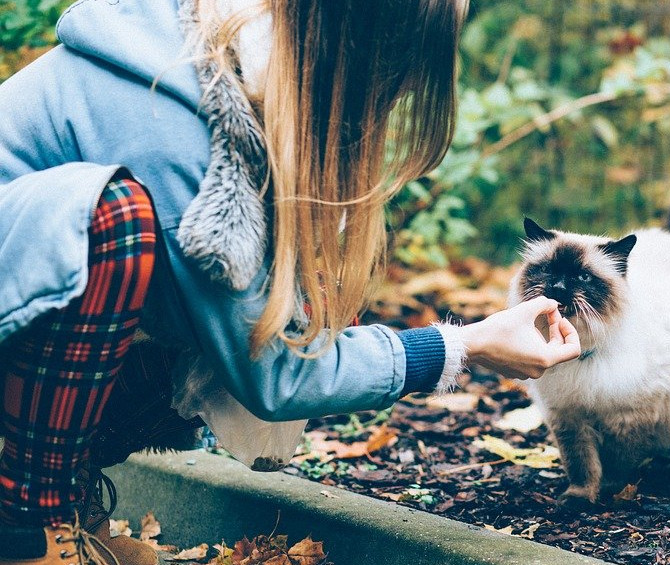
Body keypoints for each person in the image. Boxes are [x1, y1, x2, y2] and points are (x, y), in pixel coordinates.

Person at [0, 0, 581, 563]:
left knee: (250, 299)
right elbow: (273, 371)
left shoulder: (233, 70)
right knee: (117, 225)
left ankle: (64, 496)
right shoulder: (174, 120)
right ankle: (26, 523)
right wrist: (467, 344)